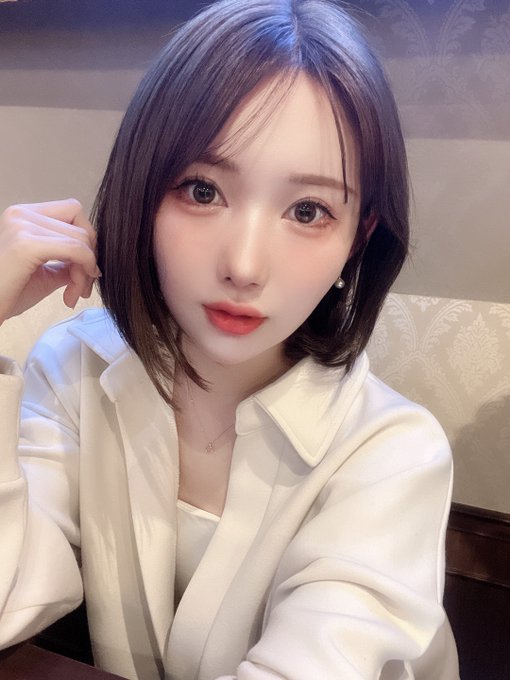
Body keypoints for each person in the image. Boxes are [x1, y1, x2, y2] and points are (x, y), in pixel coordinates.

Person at [0, 0, 459, 678]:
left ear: (357, 239)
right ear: (142, 194)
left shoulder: (393, 457)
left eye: (308, 210)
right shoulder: (73, 370)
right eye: (202, 191)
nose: (244, 266)